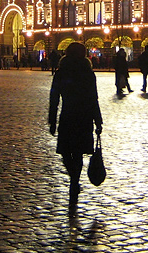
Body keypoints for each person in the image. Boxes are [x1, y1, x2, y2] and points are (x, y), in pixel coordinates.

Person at [48, 42, 103, 214]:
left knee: (66, 150)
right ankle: (74, 179)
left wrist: (52, 120)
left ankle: (73, 179)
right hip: (84, 116)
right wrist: (98, 120)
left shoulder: (61, 72)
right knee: (77, 152)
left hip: (68, 115)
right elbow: (94, 98)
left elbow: (54, 97)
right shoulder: (88, 73)